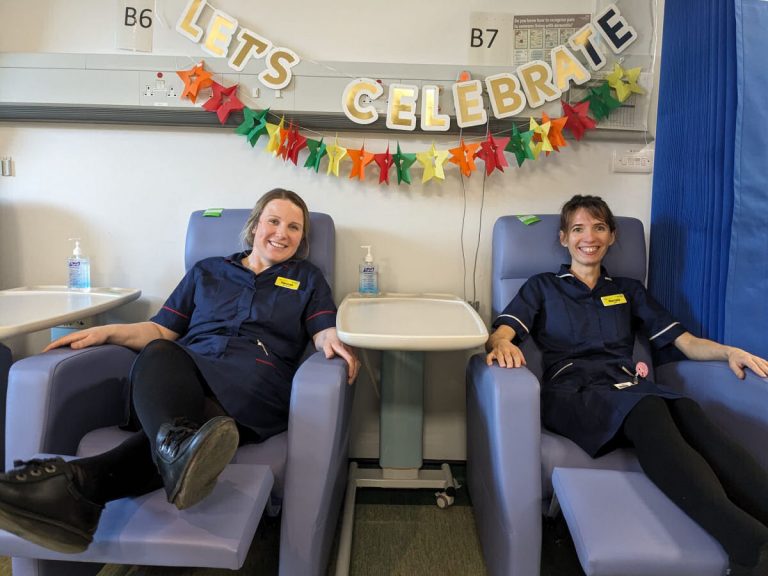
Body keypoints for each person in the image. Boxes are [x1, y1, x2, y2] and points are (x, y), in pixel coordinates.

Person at [0, 188, 360, 554]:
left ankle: (82, 484)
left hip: (256, 378)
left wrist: (334, 341)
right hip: (187, 374)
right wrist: (108, 331)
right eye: (274, 221)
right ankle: (169, 454)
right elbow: (160, 330)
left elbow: (323, 328)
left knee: (193, 423)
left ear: (301, 239)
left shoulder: (307, 279)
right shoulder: (208, 272)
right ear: (254, 227)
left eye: (294, 227)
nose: (282, 233)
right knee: (161, 353)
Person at [485, 194, 768, 576]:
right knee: (648, 408)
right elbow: (502, 332)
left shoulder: (628, 290)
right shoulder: (543, 286)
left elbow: (684, 341)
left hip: (626, 388)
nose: (590, 237)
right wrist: (502, 343)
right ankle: (743, 538)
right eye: (580, 228)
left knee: (688, 411)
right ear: (564, 237)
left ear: (613, 236)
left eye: (599, 227)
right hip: (572, 392)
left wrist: (728, 352)